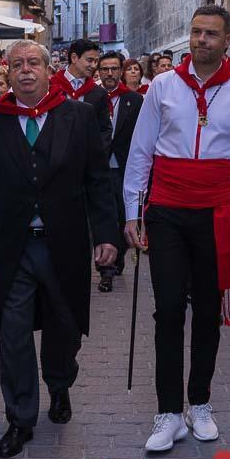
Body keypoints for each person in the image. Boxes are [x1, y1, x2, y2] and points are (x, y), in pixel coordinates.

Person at [124, 5, 230, 453]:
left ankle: (200, 402)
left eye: (211, 34)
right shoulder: (163, 86)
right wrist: (132, 209)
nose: (202, 40)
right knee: (167, 309)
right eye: (196, 33)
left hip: (218, 210)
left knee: (207, 310)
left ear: (227, 41)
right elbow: (141, 149)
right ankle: (168, 412)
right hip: (167, 208)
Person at [0, 40, 117, 459]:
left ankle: (59, 381)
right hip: (13, 246)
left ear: (49, 70)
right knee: (12, 333)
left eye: (34, 63)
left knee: (63, 328)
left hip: (64, 243)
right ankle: (20, 418)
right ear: (7, 74)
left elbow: (98, 182)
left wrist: (106, 235)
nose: (26, 71)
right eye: (17, 65)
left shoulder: (78, 117)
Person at [95, 51, 143, 291]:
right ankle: (106, 268)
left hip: (124, 167)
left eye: (114, 69)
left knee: (123, 215)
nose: (110, 74)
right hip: (100, 167)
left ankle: (118, 256)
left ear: (121, 71)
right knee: (105, 215)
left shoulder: (133, 100)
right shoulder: (91, 98)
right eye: (105, 69)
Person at [51, 38, 112, 150]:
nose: (94, 66)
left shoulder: (99, 93)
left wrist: (95, 156)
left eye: (96, 61)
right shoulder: (51, 87)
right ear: (74, 58)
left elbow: (104, 130)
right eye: (89, 60)